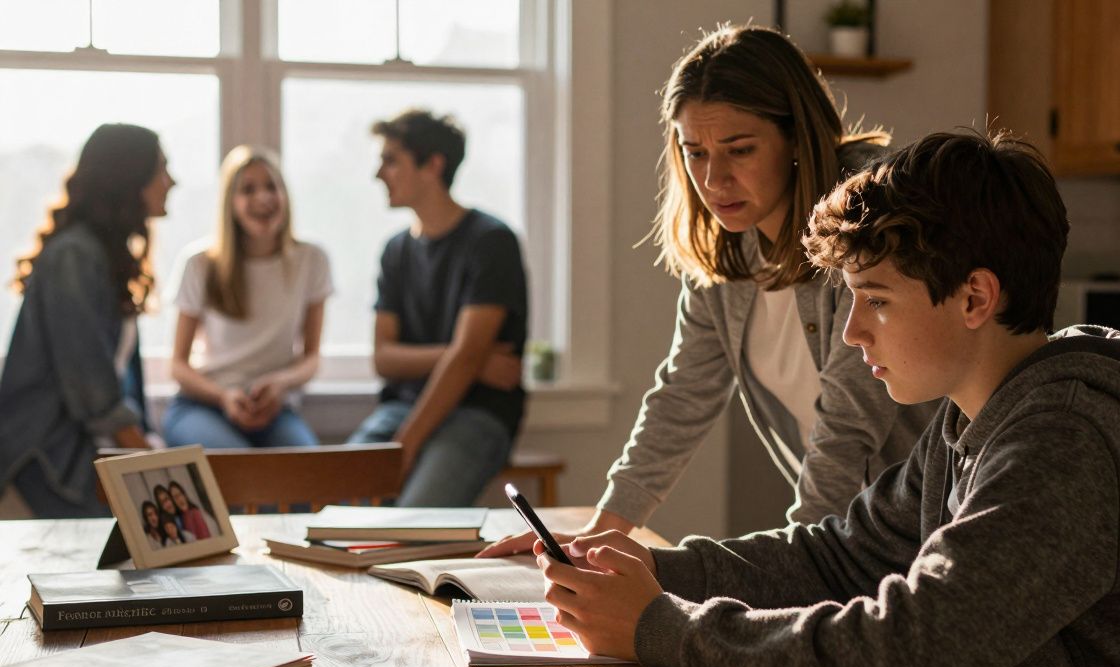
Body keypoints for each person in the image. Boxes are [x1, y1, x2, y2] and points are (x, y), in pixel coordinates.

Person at [534, 131, 1120, 667]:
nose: (851, 330)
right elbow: (837, 559)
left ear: (974, 297)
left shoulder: (1067, 445)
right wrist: (655, 573)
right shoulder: (972, 420)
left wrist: (662, 628)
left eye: (875, 299)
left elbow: (913, 652)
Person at [482, 25, 935, 556]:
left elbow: (847, 425)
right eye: (695, 152)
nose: (714, 179)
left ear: (795, 136)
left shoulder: (865, 221)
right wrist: (600, 534)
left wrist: (796, 565)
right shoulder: (730, 250)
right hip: (850, 533)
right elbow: (682, 396)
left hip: (930, 525)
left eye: (739, 150)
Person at [348, 109, 528, 507]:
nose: (379, 174)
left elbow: (464, 362)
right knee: (332, 505)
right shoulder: (396, 251)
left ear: (433, 165)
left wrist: (406, 445)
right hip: (400, 410)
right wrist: (469, 358)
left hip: (476, 416)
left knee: (413, 521)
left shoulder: (491, 242)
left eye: (391, 160)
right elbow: (384, 358)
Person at [0, 123, 172, 518]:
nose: (171, 182)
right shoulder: (74, 257)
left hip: (82, 447)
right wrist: (155, 469)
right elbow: (90, 385)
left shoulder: (105, 255)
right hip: (47, 455)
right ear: (129, 178)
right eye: (161, 169)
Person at [163, 146, 332, 448]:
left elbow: (311, 358)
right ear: (231, 203)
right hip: (203, 404)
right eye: (248, 190)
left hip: (275, 409)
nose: (263, 198)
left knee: (307, 477)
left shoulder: (311, 260)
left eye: (271, 186)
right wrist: (223, 396)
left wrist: (281, 383)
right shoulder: (200, 264)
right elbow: (178, 365)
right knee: (236, 471)